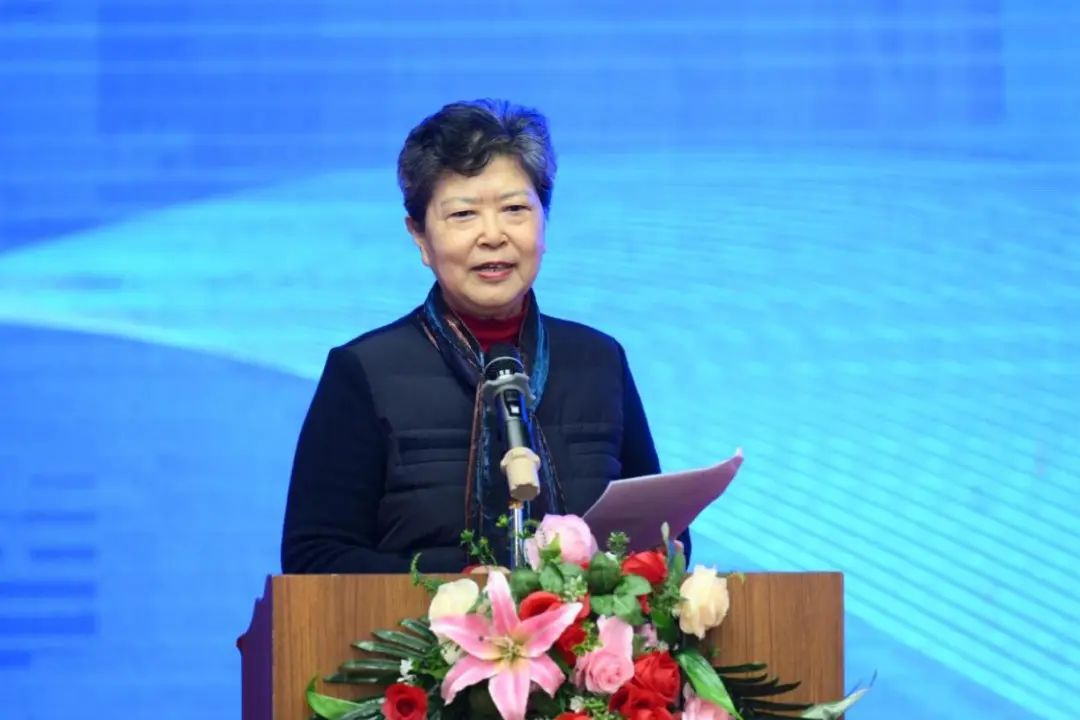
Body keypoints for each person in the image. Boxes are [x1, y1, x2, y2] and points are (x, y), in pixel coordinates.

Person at [281, 98, 689, 573]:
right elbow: (315, 558)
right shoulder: (365, 371)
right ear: (419, 236)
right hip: (421, 624)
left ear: (544, 221)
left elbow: (666, 541)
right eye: (463, 214)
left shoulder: (598, 361)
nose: (493, 235)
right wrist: (455, 590)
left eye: (515, 209)